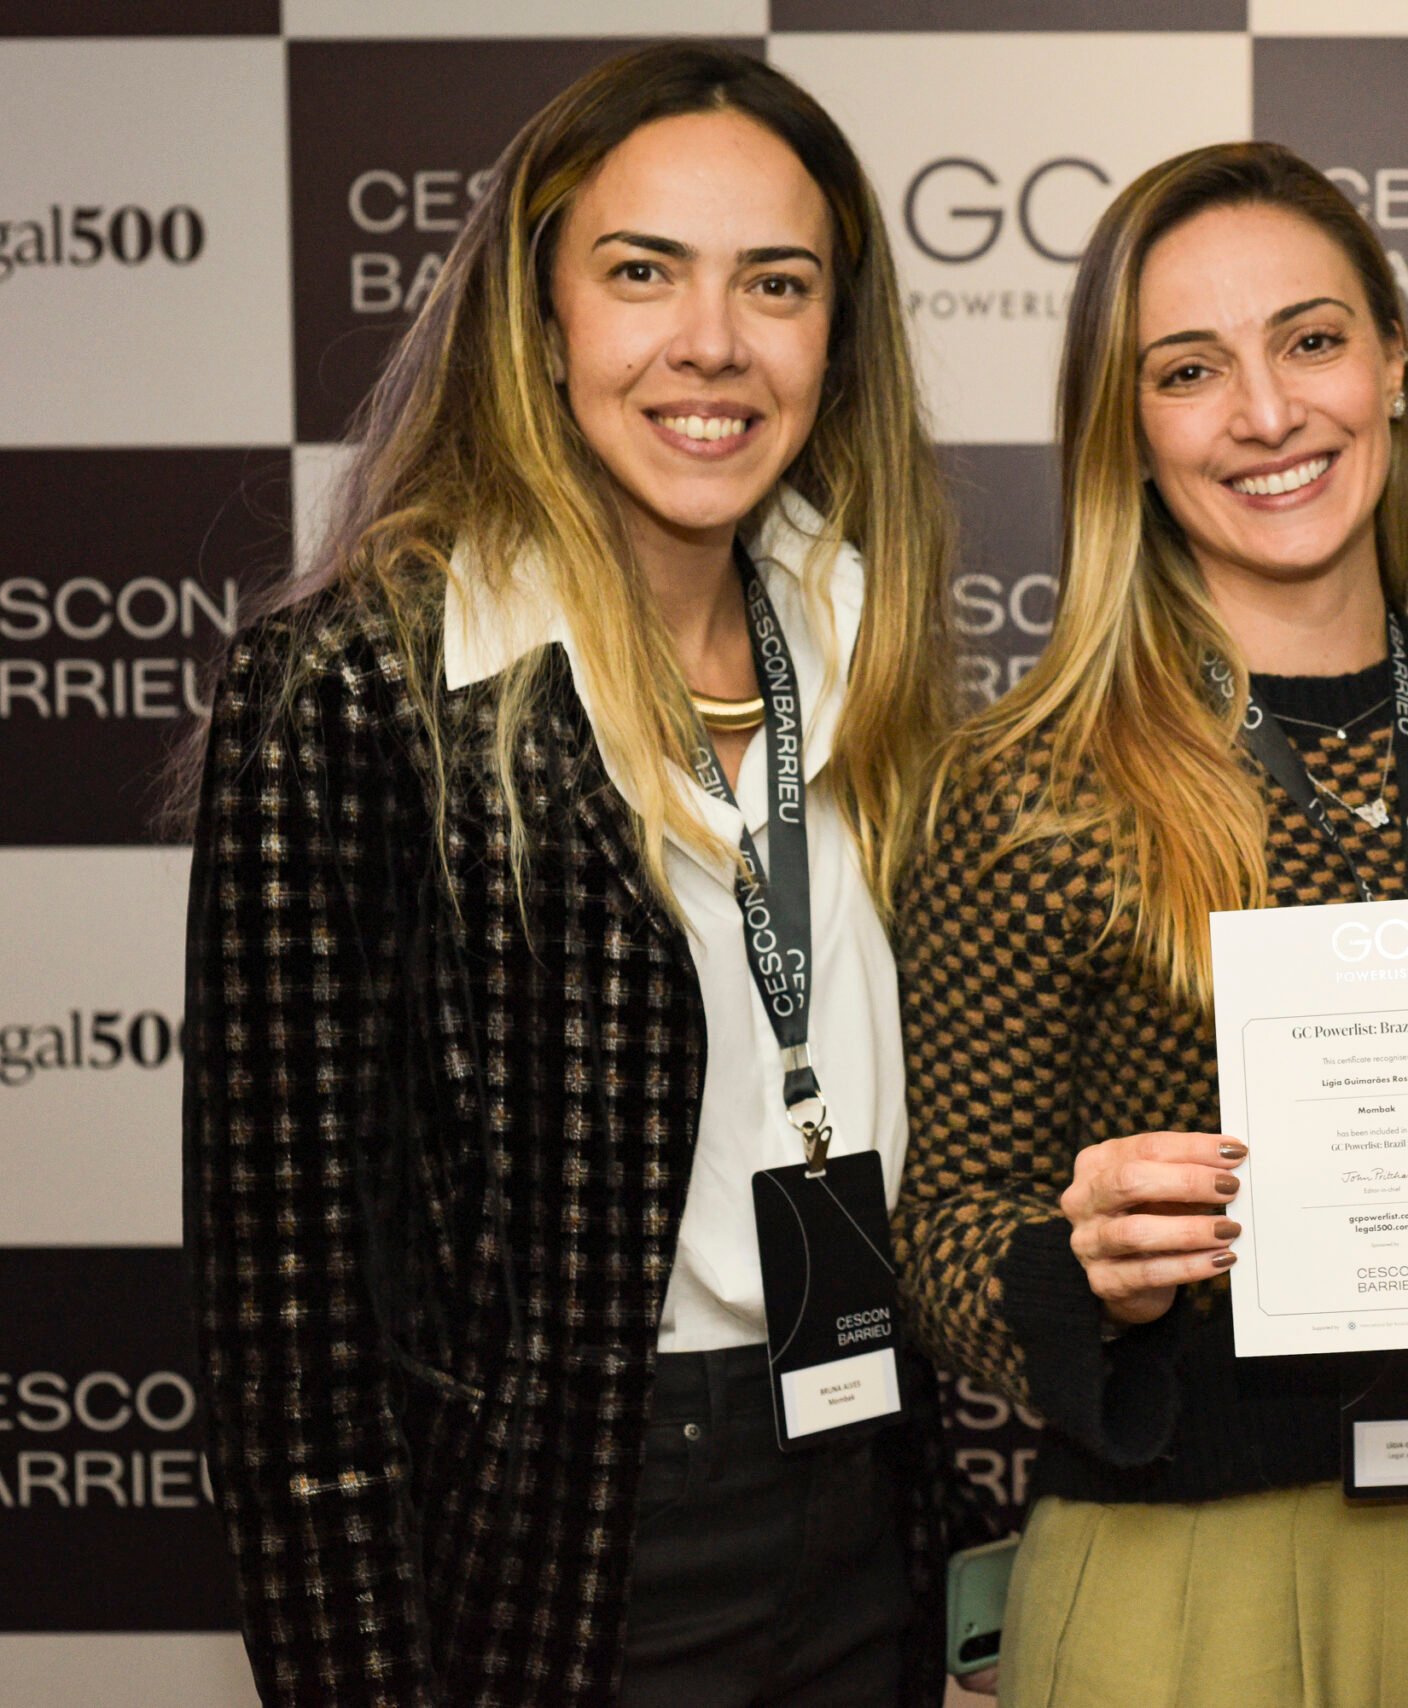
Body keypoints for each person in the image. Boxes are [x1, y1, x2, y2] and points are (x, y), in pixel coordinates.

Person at [182, 43, 953, 1707]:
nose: (714, 341)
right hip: (579, 1539)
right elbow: (287, 1337)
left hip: (861, 1488)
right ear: (540, 320)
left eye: (777, 283)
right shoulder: (362, 685)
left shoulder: (859, 639)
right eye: (642, 272)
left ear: (837, 337)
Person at [892, 142, 1408, 1708]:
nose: (1266, 412)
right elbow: (945, 1229)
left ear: (1393, 362)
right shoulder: (1032, 781)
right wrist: (1083, 1262)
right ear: (1126, 430)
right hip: (1193, 1574)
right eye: (1189, 370)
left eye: (1310, 340)